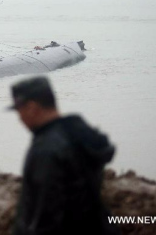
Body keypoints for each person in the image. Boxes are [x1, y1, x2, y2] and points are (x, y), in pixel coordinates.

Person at [9, 76, 119, 235]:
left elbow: (47, 215)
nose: (20, 119)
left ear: (32, 108)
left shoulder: (46, 150)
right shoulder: (79, 132)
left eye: (19, 111)